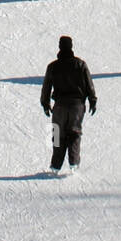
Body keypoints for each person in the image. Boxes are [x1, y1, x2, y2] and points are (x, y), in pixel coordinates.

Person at [40, 36, 96, 175]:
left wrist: (45, 103)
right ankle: (73, 163)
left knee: (58, 134)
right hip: (77, 105)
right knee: (74, 133)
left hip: (60, 106)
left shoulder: (53, 66)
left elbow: (46, 87)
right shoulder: (80, 64)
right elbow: (89, 83)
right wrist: (92, 99)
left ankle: (55, 166)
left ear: (60, 47)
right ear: (71, 46)